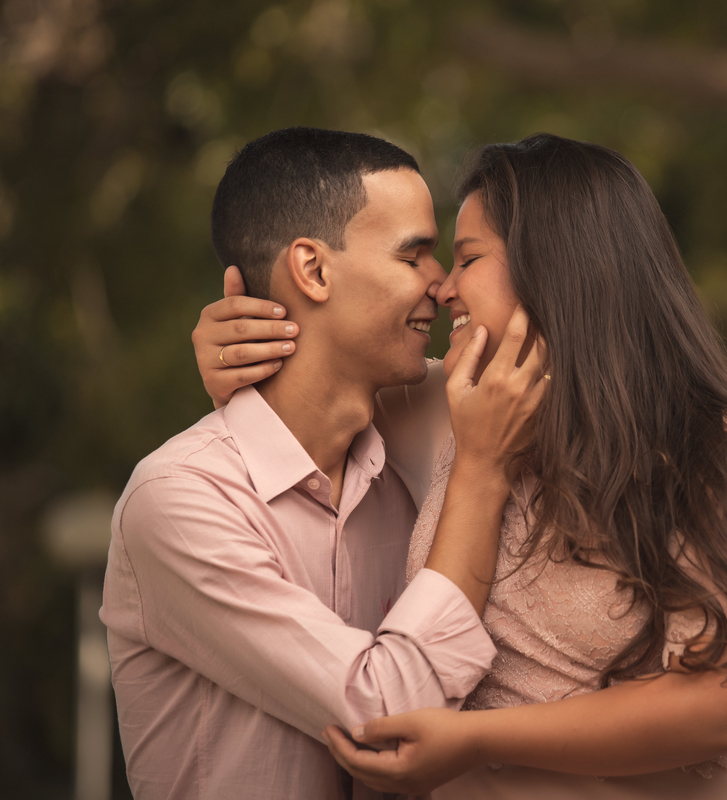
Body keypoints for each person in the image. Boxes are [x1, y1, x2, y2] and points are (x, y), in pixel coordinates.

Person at [195, 134, 727, 798]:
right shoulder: (450, 410)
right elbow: (323, 380)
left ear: (557, 269)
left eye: (467, 258)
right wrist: (241, 347)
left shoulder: (714, 452)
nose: (442, 288)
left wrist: (475, 739)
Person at [102, 127, 546, 800]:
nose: (443, 284)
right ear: (312, 270)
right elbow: (386, 714)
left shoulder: (422, 428)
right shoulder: (182, 500)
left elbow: (597, 393)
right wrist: (480, 476)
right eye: (416, 255)